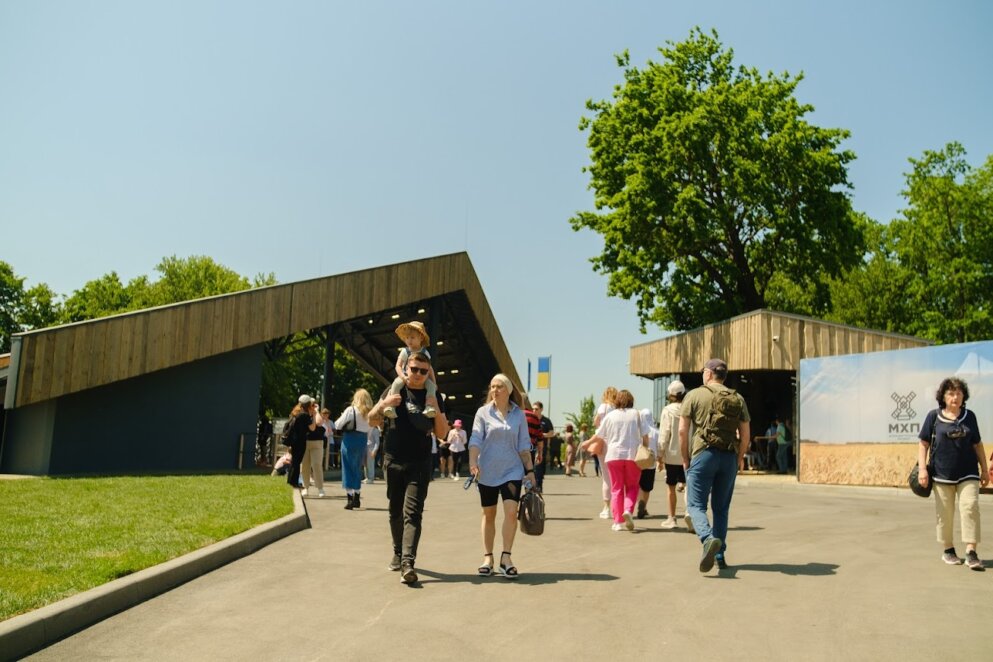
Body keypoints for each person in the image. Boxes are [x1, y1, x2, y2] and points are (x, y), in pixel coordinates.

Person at [368, 350, 449, 584]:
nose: (418, 375)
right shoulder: (395, 388)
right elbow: (372, 419)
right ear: (407, 368)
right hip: (393, 459)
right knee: (395, 511)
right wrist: (385, 404)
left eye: (424, 371)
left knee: (412, 513)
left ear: (428, 372)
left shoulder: (434, 395)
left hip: (420, 463)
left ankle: (407, 563)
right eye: (414, 369)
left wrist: (435, 409)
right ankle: (397, 551)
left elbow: (442, 433)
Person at [680, 358, 750, 573]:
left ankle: (707, 539)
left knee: (695, 505)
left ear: (709, 374)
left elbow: (683, 431)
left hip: (703, 454)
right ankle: (719, 555)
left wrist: (685, 458)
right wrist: (739, 457)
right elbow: (745, 433)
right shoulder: (737, 397)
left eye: (703, 371)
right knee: (721, 508)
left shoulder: (694, 395)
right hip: (728, 456)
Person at [917, 377, 988, 570]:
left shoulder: (970, 416)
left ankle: (971, 552)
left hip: (968, 473)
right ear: (943, 396)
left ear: (963, 396)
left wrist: (985, 470)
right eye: (950, 393)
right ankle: (948, 550)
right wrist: (922, 469)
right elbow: (923, 444)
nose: (955, 397)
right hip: (942, 474)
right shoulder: (933, 417)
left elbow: (978, 444)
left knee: (970, 507)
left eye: (958, 393)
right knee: (944, 514)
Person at [468, 374, 535, 578]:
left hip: (512, 470)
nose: (495, 390)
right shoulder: (483, 412)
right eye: (492, 387)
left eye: (499, 387)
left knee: (511, 511)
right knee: (489, 514)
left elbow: (524, 444)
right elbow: (475, 439)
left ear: (508, 390)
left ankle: (506, 558)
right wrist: (473, 462)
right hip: (487, 470)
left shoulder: (519, 415)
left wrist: (530, 471)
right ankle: (488, 558)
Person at [583, 390, 649, 531]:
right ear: (631, 400)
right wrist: (646, 449)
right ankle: (628, 510)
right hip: (632, 456)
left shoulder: (610, 416)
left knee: (616, 488)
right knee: (632, 486)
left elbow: (599, 434)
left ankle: (617, 522)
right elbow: (645, 436)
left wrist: (587, 443)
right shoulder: (637, 414)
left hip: (613, 456)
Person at [382, 321, 440, 419]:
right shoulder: (405, 351)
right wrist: (403, 377)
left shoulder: (425, 352)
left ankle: (429, 407)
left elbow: (429, 369)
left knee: (431, 387)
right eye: (407, 338)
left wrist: (434, 383)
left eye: (412, 337)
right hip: (406, 375)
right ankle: (391, 407)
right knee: (396, 384)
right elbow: (398, 366)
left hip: (422, 377)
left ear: (421, 337)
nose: (409, 340)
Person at [335, 389, 374, 510]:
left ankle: (350, 498)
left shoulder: (351, 410)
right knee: (357, 468)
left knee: (347, 468)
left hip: (349, 439)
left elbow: (337, 425)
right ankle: (357, 497)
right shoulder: (370, 413)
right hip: (362, 440)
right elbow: (370, 429)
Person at [658, 381, 688, 530]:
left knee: (671, 487)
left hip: (672, 454)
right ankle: (689, 512)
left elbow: (664, 433)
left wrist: (660, 455)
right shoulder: (689, 408)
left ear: (671, 395)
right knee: (689, 486)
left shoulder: (667, 410)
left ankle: (672, 518)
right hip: (688, 454)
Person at [590, 387, 618, 518]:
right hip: (615, 443)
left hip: (603, 442)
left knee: (606, 477)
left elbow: (596, 422)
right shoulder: (618, 409)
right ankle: (617, 506)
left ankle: (606, 507)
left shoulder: (603, 407)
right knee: (616, 477)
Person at [286, 395, 317, 492]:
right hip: (300, 441)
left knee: (294, 461)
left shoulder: (296, 412)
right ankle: (294, 482)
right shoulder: (304, 415)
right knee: (297, 461)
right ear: (308, 404)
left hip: (294, 440)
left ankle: (291, 481)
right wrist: (315, 416)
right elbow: (312, 428)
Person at [635, 408, 660, 519]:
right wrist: (660, 460)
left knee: (638, 485)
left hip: (639, 461)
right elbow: (659, 447)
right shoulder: (656, 431)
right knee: (647, 487)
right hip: (651, 462)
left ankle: (640, 502)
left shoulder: (638, 430)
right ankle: (644, 506)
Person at [300, 400, 327, 498]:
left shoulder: (317, 414)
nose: (311, 406)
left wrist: (316, 411)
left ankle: (320, 488)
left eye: (313, 405)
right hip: (305, 442)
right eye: (310, 405)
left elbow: (319, 423)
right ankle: (305, 488)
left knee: (316, 465)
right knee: (305, 466)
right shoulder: (304, 414)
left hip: (317, 443)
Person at [534, 402, 554, 488]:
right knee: (533, 467)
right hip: (531, 447)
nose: (534, 411)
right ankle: (533, 485)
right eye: (533, 409)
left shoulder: (546, 421)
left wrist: (542, 435)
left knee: (540, 467)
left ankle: (539, 484)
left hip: (542, 447)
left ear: (541, 409)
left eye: (536, 409)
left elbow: (551, 433)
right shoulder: (530, 419)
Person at [524, 406, 545, 492]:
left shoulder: (510, 414)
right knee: (528, 474)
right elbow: (540, 438)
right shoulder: (533, 417)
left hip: (512, 451)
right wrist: (539, 453)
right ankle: (528, 494)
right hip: (529, 451)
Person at [365, 414, 382, 484]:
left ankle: (371, 478)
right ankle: (367, 477)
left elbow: (377, 442)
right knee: (366, 464)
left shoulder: (376, 430)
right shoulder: (366, 429)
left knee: (370, 464)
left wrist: (374, 450)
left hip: (371, 448)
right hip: (365, 447)